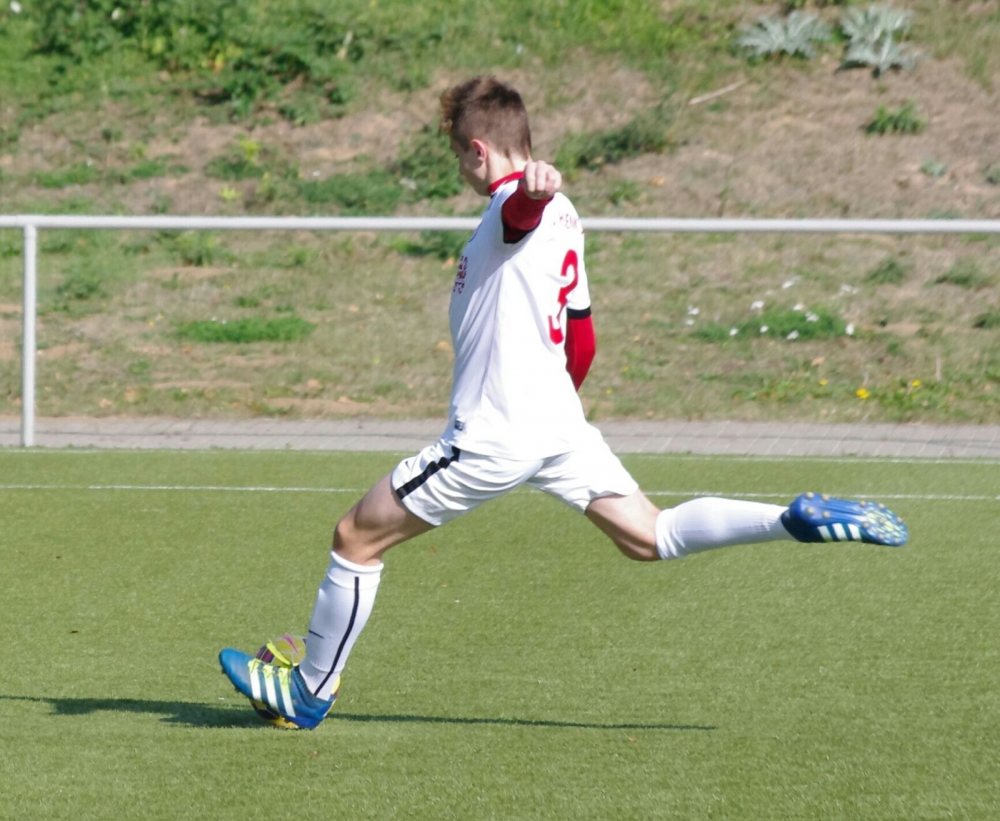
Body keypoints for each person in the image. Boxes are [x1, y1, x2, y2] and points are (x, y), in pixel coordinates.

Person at [220, 76, 908, 729]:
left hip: (495, 435)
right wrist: (549, 413)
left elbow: (520, 212)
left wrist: (531, 191)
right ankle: (788, 519)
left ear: (479, 150)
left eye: (459, 157)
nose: (460, 170)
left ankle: (310, 690)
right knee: (650, 535)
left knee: (356, 537)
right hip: (557, 426)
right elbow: (583, 341)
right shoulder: (570, 217)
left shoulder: (512, 205)